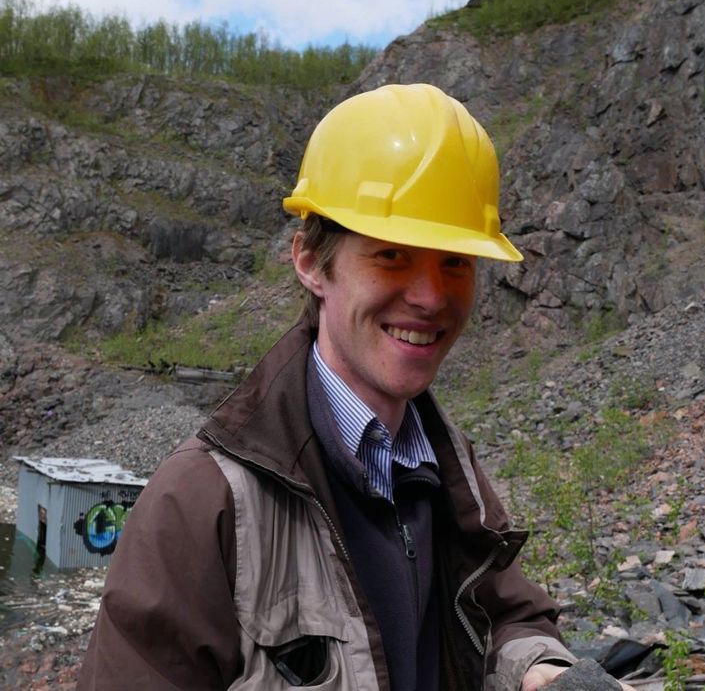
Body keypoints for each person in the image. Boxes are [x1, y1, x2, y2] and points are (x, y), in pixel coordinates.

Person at [78, 83, 630, 691]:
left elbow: (502, 611)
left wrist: (544, 673)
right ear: (312, 263)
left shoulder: (446, 463)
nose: (430, 297)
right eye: (392, 255)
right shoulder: (203, 500)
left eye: (455, 262)